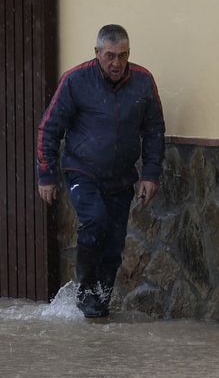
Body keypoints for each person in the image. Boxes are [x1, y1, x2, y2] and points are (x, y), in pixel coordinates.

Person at [36, 24, 166, 319]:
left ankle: (99, 302)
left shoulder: (143, 82)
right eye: (110, 56)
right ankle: (86, 288)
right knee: (95, 221)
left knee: (115, 242)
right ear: (97, 54)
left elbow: (155, 130)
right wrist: (46, 175)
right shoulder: (76, 80)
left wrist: (150, 174)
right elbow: (49, 128)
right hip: (83, 171)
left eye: (123, 55)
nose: (117, 63)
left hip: (121, 177)